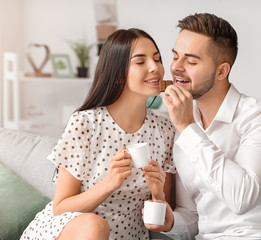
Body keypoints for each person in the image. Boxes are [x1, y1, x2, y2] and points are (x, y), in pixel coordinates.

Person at [145, 13, 261, 239]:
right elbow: (195, 215)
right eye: (175, 56)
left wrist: (188, 128)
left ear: (222, 71)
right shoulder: (182, 128)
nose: (176, 67)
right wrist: (171, 222)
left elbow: (243, 197)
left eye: (191, 61)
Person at [21, 28, 175, 240]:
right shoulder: (85, 123)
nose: (154, 68)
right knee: (95, 226)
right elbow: (60, 208)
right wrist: (109, 183)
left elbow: (163, 222)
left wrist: (159, 195)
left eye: (157, 60)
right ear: (118, 73)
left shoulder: (165, 131)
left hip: (127, 235)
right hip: (69, 231)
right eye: (141, 62)